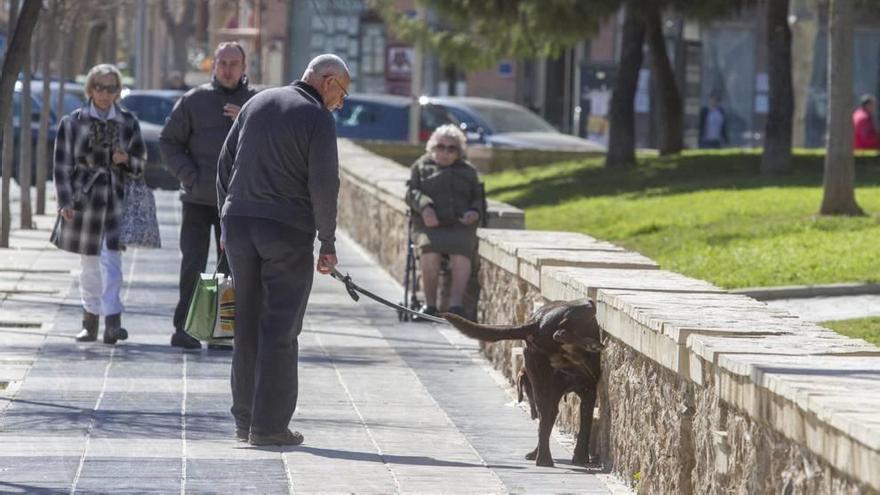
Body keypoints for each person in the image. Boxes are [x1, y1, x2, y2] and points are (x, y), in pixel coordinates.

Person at [217, 53, 347, 445]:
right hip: (285, 231)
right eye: (342, 93)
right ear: (327, 81)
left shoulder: (257, 102)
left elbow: (224, 165)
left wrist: (225, 219)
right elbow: (325, 184)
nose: (340, 103)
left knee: (246, 325)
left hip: (239, 225)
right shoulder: (317, 117)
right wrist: (327, 240)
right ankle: (269, 426)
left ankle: (244, 420)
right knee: (280, 328)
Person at [160, 41, 257, 350]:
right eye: (222, 63)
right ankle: (184, 330)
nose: (228, 69)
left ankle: (220, 332)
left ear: (244, 68)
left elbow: (270, 147)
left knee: (229, 270)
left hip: (237, 203)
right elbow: (168, 142)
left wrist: (246, 119)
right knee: (193, 265)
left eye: (234, 64)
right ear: (213, 65)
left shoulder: (257, 103)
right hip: (198, 199)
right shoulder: (194, 100)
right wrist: (190, 176)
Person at [50, 63, 146, 344]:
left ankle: (113, 323)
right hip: (84, 201)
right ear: (91, 88)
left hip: (116, 201)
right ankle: (90, 321)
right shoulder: (73, 122)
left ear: (118, 91)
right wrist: (65, 201)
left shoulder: (129, 122)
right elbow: (61, 166)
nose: (105, 94)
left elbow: (141, 164)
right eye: (100, 87)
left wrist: (126, 160)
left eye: (112, 88)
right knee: (89, 264)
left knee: (112, 261)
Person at [406, 124, 482, 318]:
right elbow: (411, 192)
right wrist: (425, 207)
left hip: (459, 224)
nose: (446, 152)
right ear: (432, 147)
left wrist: (474, 211)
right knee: (429, 251)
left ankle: (455, 308)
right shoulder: (421, 166)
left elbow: (478, 198)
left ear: (459, 151)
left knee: (461, 251)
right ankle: (430, 305)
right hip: (431, 225)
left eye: (452, 148)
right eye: (441, 146)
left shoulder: (468, 171)